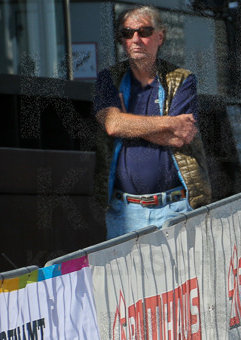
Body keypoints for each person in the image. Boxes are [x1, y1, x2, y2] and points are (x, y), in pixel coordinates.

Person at [93, 5, 211, 240]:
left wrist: (128, 123)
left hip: (175, 208)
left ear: (160, 36)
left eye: (144, 32)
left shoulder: (182, 79)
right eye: (127, 33)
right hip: (123, 212)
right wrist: (169, 122)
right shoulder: (108, 80)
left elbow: (179, 137)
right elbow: (113, 125)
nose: (135, 39)